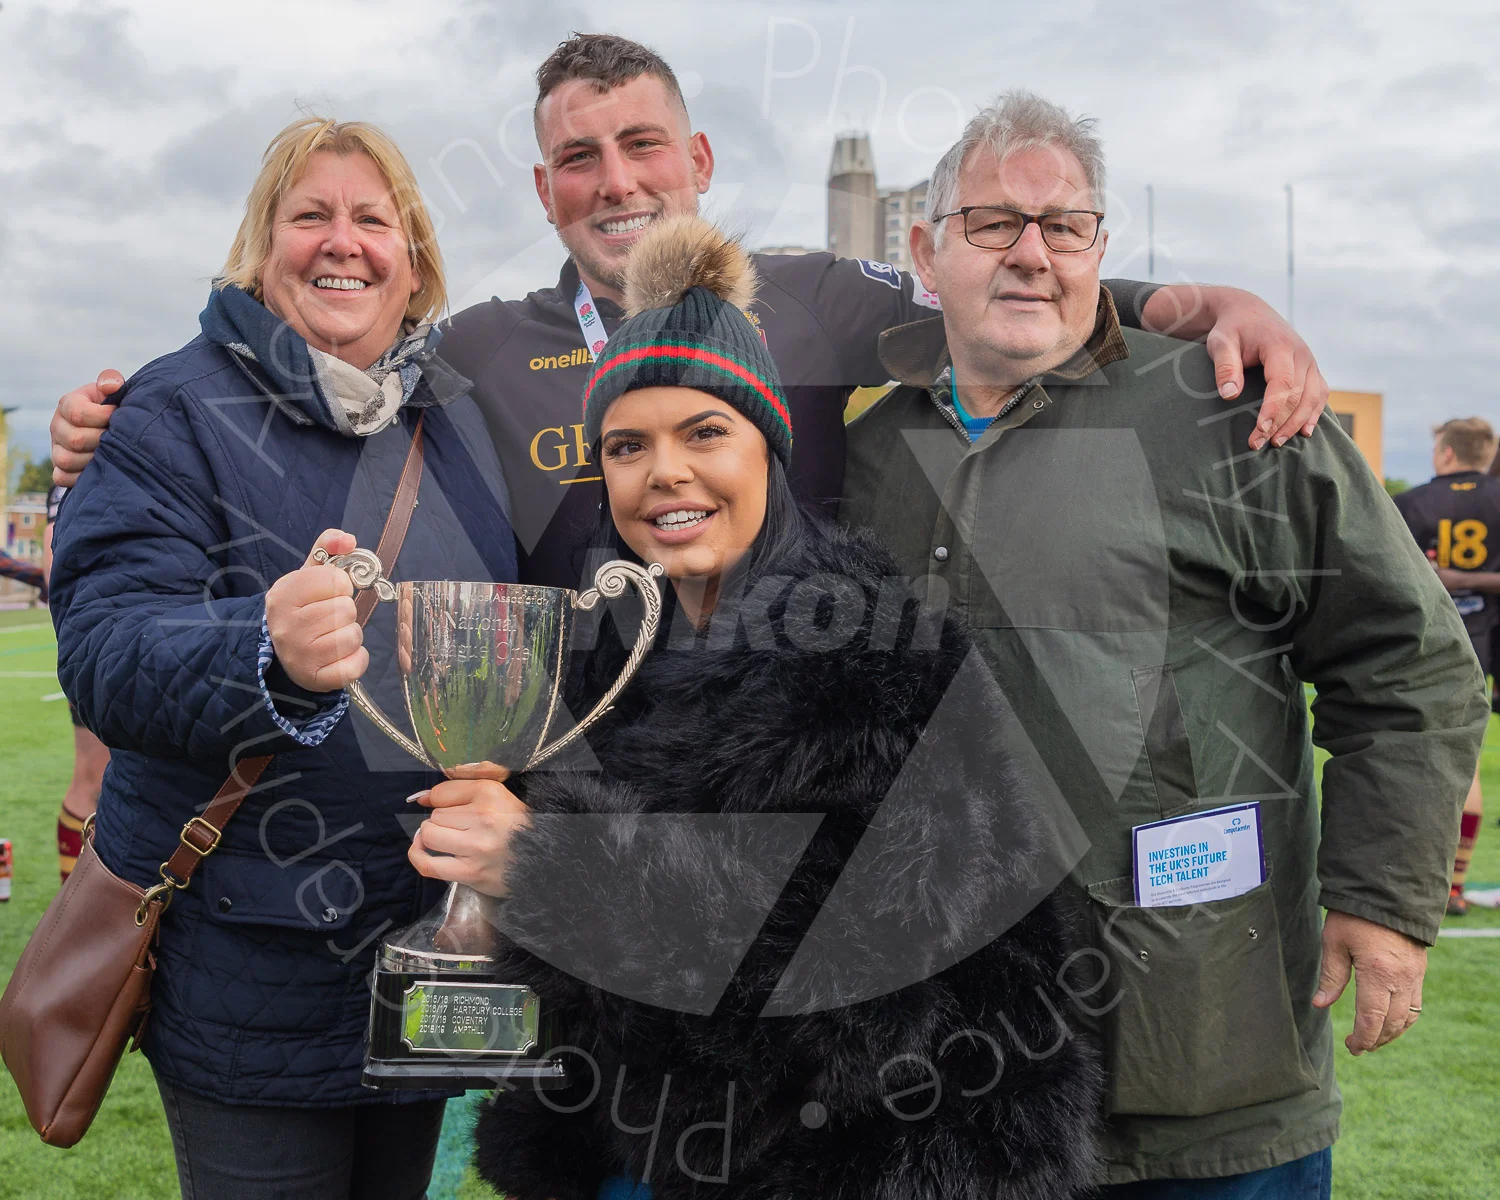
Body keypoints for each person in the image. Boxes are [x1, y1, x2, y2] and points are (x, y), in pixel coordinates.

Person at [279, 216, 1105, 1199]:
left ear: (769, 449)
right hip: (633, 1156)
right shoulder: (601, 657)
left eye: (705, 432)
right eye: (627, 445)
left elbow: (852, 980)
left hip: (852, 1168)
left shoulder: (884, 652)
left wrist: (547, 866)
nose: (665, 471)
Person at [838, 91, 1488, 1197]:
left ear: (1101, 245)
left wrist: (1383, 898)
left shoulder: (1236, 409)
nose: (1032, 254)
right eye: (994, 222)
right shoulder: (863, 452)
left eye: (1067, 225)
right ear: (922, 246)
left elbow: (1409, 661)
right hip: (945, 1080)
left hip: (1204, 1066)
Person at [50, 34, 1333, 591]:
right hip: (579, 797)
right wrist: (132, 425)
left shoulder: (820, 297)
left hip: (792, 784)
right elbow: (330, 368)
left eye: (644, 144)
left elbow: (1008, 289)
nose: (619, 182)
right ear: (544, 188)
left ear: (700, 160)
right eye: (582, 157)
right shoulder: (484, 346)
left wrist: (1206, 299)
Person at [47, 117, 517, 1200]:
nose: (340, 241)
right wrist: (263, 646)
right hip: (250, 971)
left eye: (370, 218)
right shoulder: (172, 408)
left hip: (422, 952)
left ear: (416, 261)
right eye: (308, 216)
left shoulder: (453, 424)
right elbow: (106, 650)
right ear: (262, 251)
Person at [1395, 418, 1500, 916]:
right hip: (1488, 640)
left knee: (1419, 759)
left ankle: (1428, 884)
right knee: (1471, 760)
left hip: (1429, 643)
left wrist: (1452, 577)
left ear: (1448, 454)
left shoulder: (1414, 502)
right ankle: (1454, 885)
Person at [41, 484, 111, 882]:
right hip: (108, 636)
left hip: (98, 632)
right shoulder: (95, 436)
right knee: (95, 776)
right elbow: (55, 550)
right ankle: (83, 921)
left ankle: (82, 923)